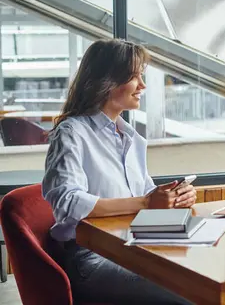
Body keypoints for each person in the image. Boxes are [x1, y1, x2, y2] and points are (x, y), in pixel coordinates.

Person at [42, 39, 195, 304]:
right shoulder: (71, 133)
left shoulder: (130, 138)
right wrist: (147, 202)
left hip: (134, 248)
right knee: (189, 292)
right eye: (135, 77)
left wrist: (173, 197)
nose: (143, 86)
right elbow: (66, 203)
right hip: (92, 257)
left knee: (209, 282)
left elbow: (144, 193)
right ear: (108, 80)